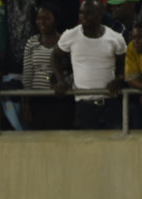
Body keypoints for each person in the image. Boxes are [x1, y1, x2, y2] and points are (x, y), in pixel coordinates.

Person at [53, 0, 127, 130]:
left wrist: (119, 79)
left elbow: (127, 63)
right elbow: (55, 56)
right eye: (81, 13)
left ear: (100, 14)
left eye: (89, 13)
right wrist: (60, 80)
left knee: (115, 141)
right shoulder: (71, 35)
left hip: (110, 103)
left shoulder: (115, 38)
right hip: (84, 106)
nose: (84, 17)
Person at [21, 2, 74, 129]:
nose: (42, 22)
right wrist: (26, 103)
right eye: (39, 18)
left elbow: (75, 69)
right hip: (37, 99)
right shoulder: (32, 42)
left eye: (47, 18)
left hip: (60, 99)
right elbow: (27, 75)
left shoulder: (65, 41)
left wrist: (65, 83)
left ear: (56, 20)